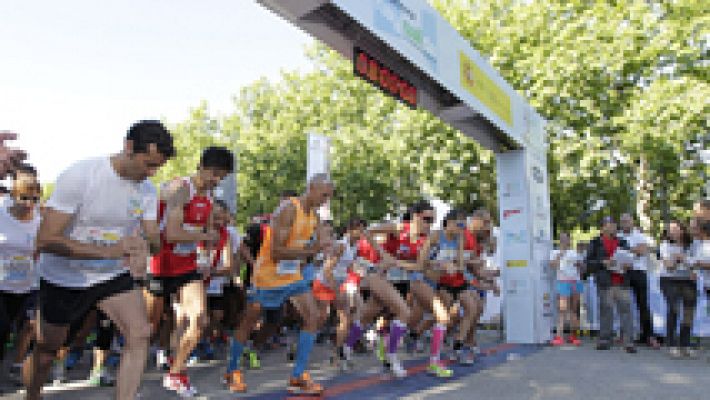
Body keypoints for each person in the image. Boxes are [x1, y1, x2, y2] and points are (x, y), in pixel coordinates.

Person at [26, 120, 174, 400]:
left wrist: (145, 247)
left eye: (157, 167)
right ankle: (32, 394)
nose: (151, 173)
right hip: (63, 277)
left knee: (140, 333)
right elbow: (45, 240)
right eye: (148, 164)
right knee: (47, 352)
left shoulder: (146, 190)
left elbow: (153, 239)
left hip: (109, 276)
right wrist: (109, 251)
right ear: (129, 147)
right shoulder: (82, 175)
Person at [225, 174, 333, 395]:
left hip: (292, 276)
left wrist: (329, 250)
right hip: (267, 276)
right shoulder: (288, 209)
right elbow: (276, 252)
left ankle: (298, 376)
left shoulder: (314, 216)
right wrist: (311, 251)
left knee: (314, 317)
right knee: (248, 322)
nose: (326, 200)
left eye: (329, 196)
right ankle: (232, 370)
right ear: (311, 188)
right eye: (324, 194)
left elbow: (318, 247)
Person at [146, 146, 233, 397]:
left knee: (199, 319)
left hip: (187, 268)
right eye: (213, 173)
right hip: (160, 266)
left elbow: (207, 238)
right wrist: (206, 235)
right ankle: (129, 380)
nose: (216, 180)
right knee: (147, 330)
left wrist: (205, 256)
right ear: (201, 166)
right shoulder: (180, 189)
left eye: (221, 176)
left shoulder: (209, 199)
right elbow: (172, 234)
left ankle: (176, 373)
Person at [0, 171, 41, 375]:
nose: (29, 203)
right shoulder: (1, 214)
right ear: (14, 196)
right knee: (2, 327)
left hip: (25, 285)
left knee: (21, 327)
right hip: (1, 284)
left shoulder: (39, 221)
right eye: (24, 198)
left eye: (34, 198)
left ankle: (12, 366)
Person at [586, 216, 636, 353]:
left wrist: (627, 265)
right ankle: (604, 339)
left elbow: (630, 260)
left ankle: (628, 341)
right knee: (606, 311)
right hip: (605, 282)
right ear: (602, 227)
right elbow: (588, 263)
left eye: (614, 224)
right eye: (609, 224)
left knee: (626, 311)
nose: (613, 226)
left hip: (621, 281)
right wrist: (603, 262)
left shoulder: (623, 242)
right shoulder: (595, 243)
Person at [618, 213, 658, 347]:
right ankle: (625, 335)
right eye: (622, 222)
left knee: (643, 305)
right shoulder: (618, 236)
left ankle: (649, 336)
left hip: (639, 272)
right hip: (624, 272)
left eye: (627, 221)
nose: (625, 224)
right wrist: (630, 252)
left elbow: (642, 250)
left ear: (632, 222)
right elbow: (615, 253)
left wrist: (626, 249)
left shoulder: (639, 235)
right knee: (624, 305)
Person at [659, 220, 697, 358]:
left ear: (682, 230)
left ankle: (685, 344)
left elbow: (695, 264)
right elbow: (669, 266)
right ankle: (671, 344)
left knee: (688, 312)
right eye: (670, 230)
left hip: (687, 280)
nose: (672, 232)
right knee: (674, 309)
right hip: (669, 280)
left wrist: (684, 258)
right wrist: (676, 260)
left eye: (675, 229)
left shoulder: (691, 245)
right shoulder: (664, 245)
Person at [549, 232, 583, 346]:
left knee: (574, 310)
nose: (564, 241)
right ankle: (559, 336)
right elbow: (553, 265)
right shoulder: (554, 252)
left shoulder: (574, 253)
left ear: (570, 240)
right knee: (562, 310)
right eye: (561, 239)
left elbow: (581, 267)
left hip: (575, 282)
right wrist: (560, 255)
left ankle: (573, 336)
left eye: (566, 239)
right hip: (562, 282)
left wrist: (579, 264)